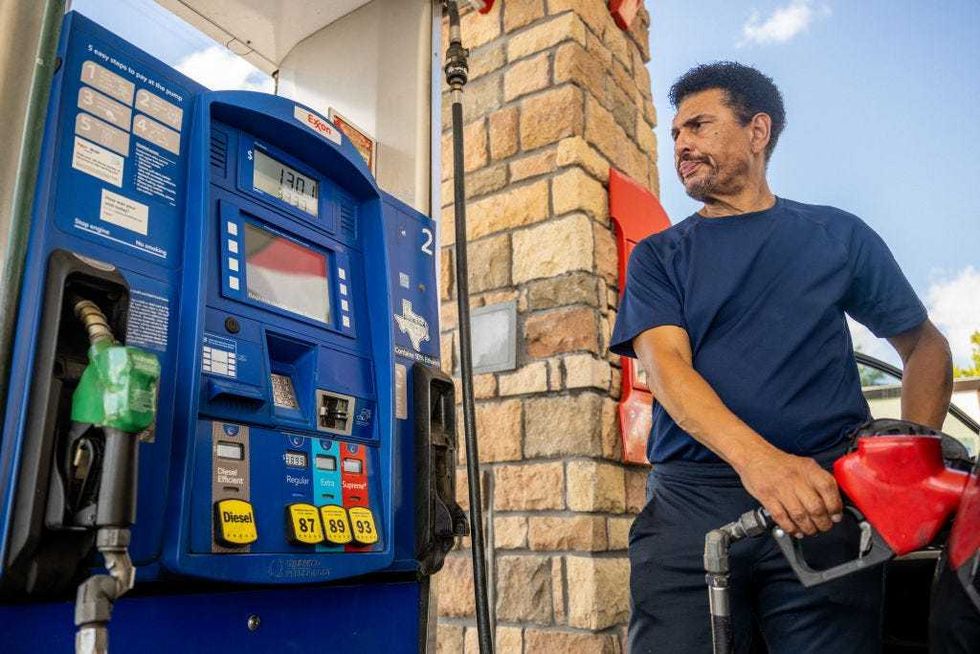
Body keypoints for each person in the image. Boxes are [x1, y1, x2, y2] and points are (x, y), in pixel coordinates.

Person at [610, 61, 953, 653]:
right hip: (693, 507)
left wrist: (908, 457)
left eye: (698, 125)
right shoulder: (661, 256)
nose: (681, 145)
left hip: (823, 506)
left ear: (757, 130)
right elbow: (667, 371)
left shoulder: (836, 235)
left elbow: (925, 346)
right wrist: (766, 467)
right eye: (675, 134)